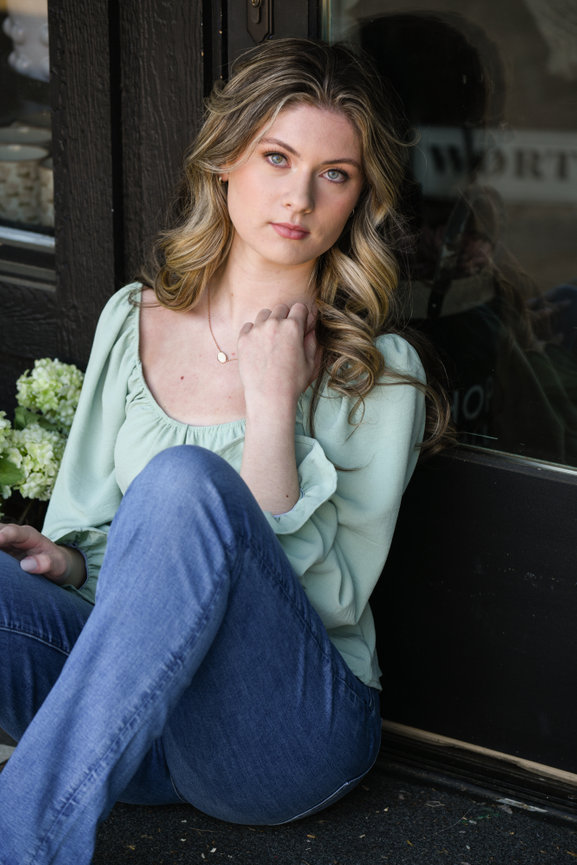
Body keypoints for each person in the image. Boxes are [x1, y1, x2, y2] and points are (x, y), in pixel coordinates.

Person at [0, 38, 448, 865]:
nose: (299, 196)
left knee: (180, 483)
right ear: (225, 159)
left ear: (358, 198)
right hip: (136, 732)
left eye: (334, 174)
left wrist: (271, 404)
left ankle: (21, 844)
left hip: (274, 740)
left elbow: (329, 599)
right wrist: (65, 565)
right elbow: (96, 546)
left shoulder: (377, 377)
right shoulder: (130, 317)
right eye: (277, 157)